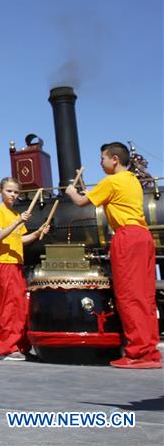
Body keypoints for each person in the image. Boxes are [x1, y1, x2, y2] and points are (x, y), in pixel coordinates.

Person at [65, 142, 162, 369]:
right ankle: (149, 351)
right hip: (143, 237)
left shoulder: (111, 181)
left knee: (129, 295)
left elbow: (80, 202)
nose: (101, 163)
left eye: (103, 158)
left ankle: (138, 354)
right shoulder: (132, 180)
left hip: (127, 238)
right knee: (145, 296)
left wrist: (71, 191)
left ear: (115, 159)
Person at [0, 177, 50, 361]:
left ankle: (20, 346)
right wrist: (17, 222)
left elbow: (20, 240)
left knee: (20, 306)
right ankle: (6, 349)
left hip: (16, 264)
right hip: (3, 263)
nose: (13, 195)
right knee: (9, 307)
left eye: (16, 192)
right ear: (0, 191)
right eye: (9, 191)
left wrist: (37, 233)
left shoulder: (15, 214)